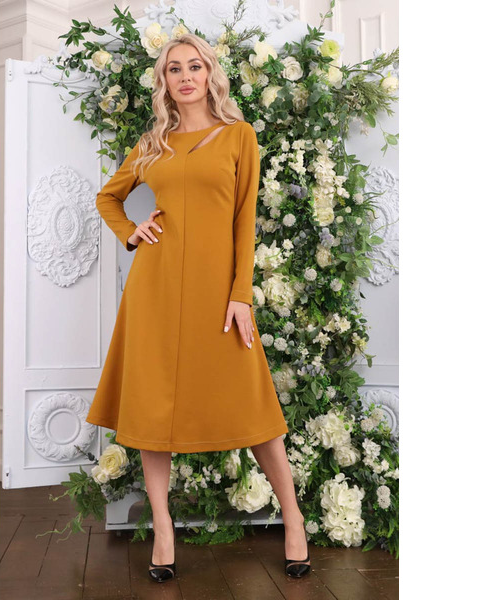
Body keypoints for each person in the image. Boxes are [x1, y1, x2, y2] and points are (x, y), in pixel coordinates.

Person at [85, 33, 311, 582]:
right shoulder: (153, 143)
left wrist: (240, 295)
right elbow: (107, 197)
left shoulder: (239, 136)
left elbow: (244, 219)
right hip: (156, 288)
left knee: (253, 406)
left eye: (194, 66)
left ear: (210, 74)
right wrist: (132, 231)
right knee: (152, 408)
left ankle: (294, 517)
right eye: (174, 69)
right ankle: (163, 529)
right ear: (164, 82)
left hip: (218, 291)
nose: (185, 77)